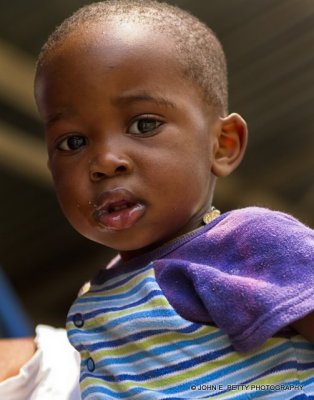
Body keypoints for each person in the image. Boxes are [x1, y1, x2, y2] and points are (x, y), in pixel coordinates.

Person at [34, 0, 314, 398]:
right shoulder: (96, 300)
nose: (104, 161)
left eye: (144, 124)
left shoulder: (250, 242)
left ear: (222, 145)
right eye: (73, 141)